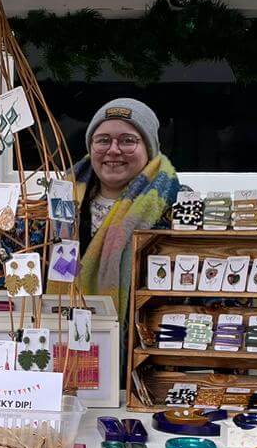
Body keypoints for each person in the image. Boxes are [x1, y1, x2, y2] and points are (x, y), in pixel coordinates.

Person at [69, 98, 182, 316]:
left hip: (144, 338)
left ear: (149, 148)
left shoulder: (176, 204)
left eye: (128, 140)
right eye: (102, 140)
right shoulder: (61, 200)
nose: (113, 150)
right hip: (62, 336)